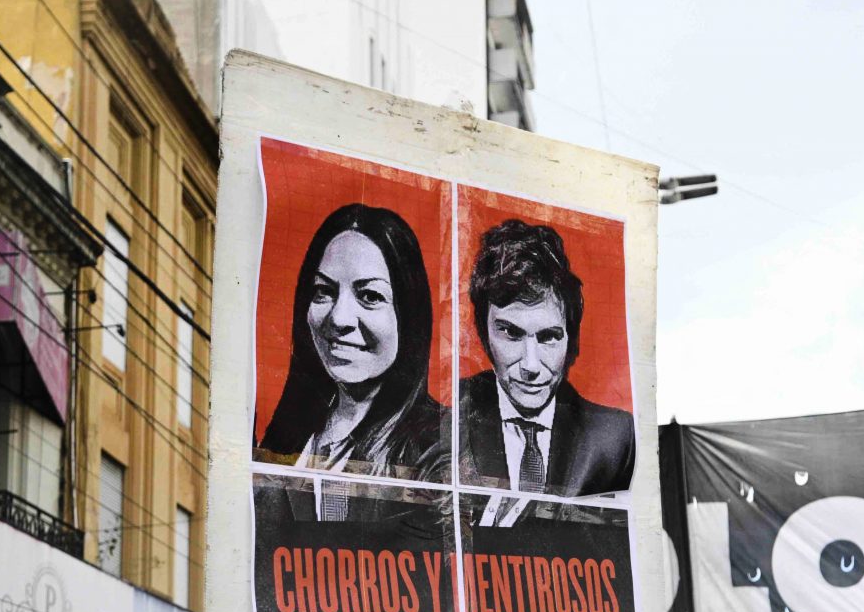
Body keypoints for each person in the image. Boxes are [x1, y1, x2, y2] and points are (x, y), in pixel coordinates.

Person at [253, 204, 447, 494]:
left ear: (409, 315)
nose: (339, 318)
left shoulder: (441, 446)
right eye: (324, 291)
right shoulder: (287, 437)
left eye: (370, 296)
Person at [457, 219, 634, 499]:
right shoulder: (447, 414)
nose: (531, 365)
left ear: (569, 339)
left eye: (548, 337)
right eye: (511, 334)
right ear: (484, 333)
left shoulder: (615, 437)